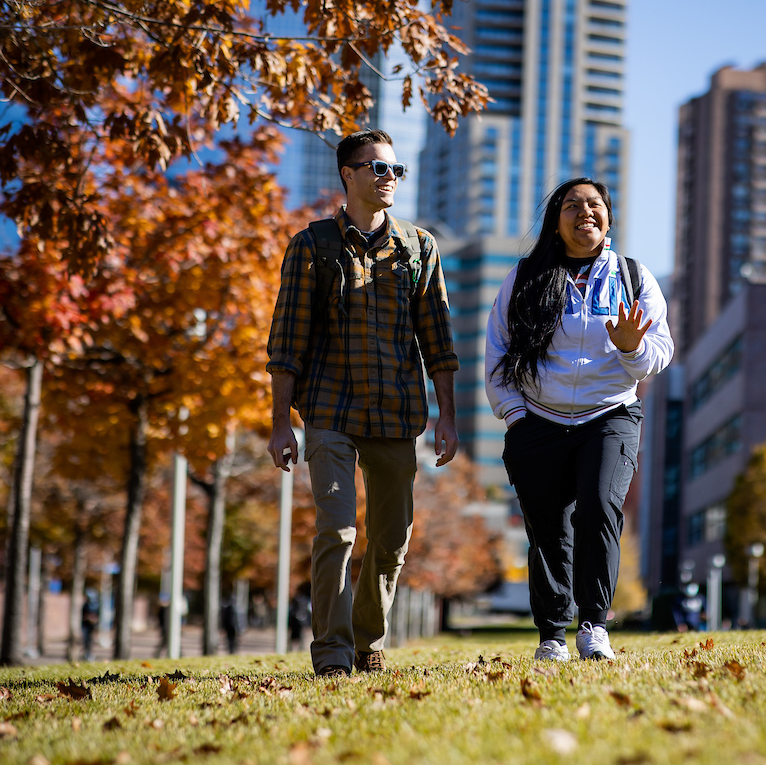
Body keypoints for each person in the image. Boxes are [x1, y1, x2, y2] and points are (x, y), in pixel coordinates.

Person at [267, 129, 459, 678]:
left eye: (396, 170)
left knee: (392, 538)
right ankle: (330, 652)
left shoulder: (420, 248)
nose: (389, 179)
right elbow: (287, 342)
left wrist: (448, 416)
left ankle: (366, 640)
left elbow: (438, 342)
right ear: (347, 175)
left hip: (398, 416)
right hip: (329, 412)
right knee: (337, 530)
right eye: (378, 169)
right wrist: (281, 424)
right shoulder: (312, 246)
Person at [485, 178, 673, 661]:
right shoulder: (525, 277)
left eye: (594, 205)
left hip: (610, 414)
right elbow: (497, 351)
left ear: (608, 217)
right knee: (548, 528)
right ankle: (552, 635)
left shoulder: (632, 276)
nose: (584, 212)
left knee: (599, 509)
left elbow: (659, 354)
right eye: (572, 205)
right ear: (556, 220)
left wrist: (631, 346)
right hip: (538, 421)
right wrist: (516, 416)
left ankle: (593, 626)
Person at [80, 588, 100, 661]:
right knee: (85, 639)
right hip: (85, 625)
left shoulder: (96, 605)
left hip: (92, 626)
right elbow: (82, 616)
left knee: (91, 640)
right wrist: (87, 617)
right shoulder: (85, 605)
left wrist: (94, 619)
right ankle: (85, 653)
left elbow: (98, 616)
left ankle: (90, 654)